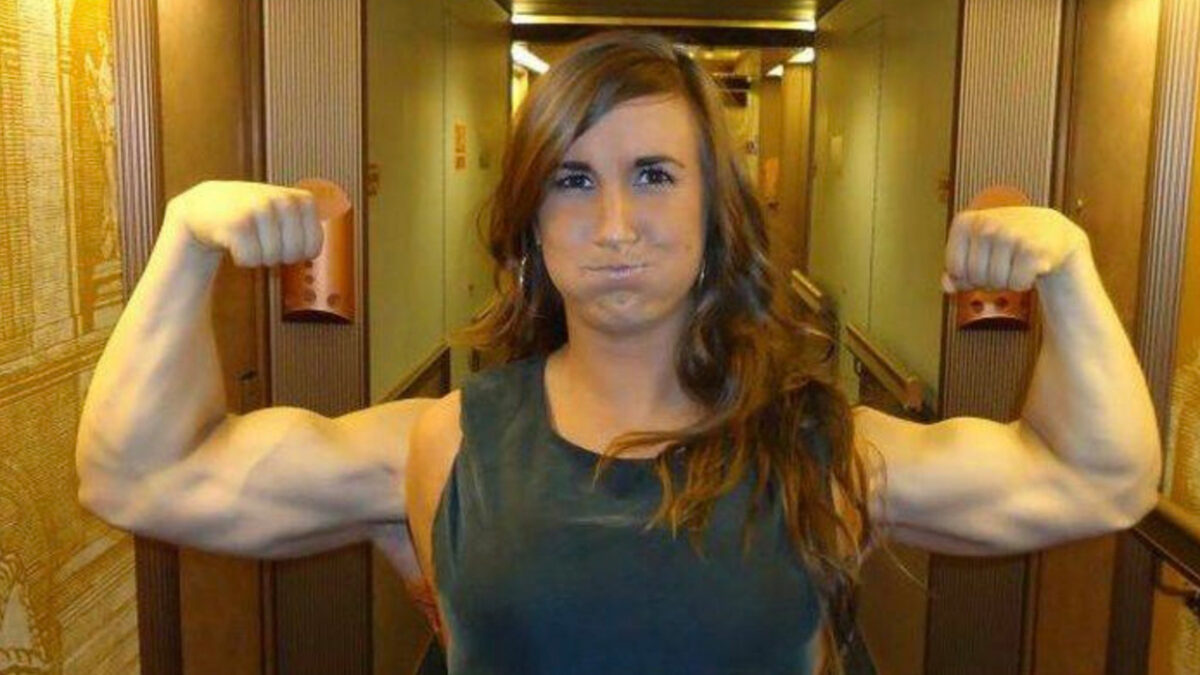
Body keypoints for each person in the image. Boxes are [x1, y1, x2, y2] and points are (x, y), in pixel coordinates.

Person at [76, 31, 1161, 675]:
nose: (614, 226)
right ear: (529, 221)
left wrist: (1068, 271)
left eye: (653, 175)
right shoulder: (442, 446)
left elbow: (1098, 481)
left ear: (716, 212)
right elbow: (142, 477)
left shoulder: (826, 451)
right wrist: (184, 244)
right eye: (572, 180)